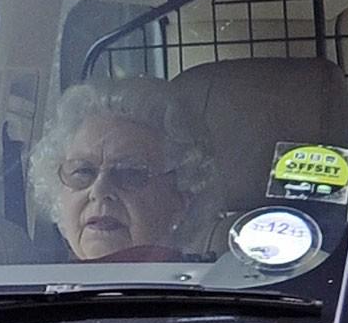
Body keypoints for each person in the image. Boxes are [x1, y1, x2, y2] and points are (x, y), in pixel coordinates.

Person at [28, 78, 219, 262]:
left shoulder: (205, 292)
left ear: (181, 201)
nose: (99, 191)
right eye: (83, 171)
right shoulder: (29, 290)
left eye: (130, 173)